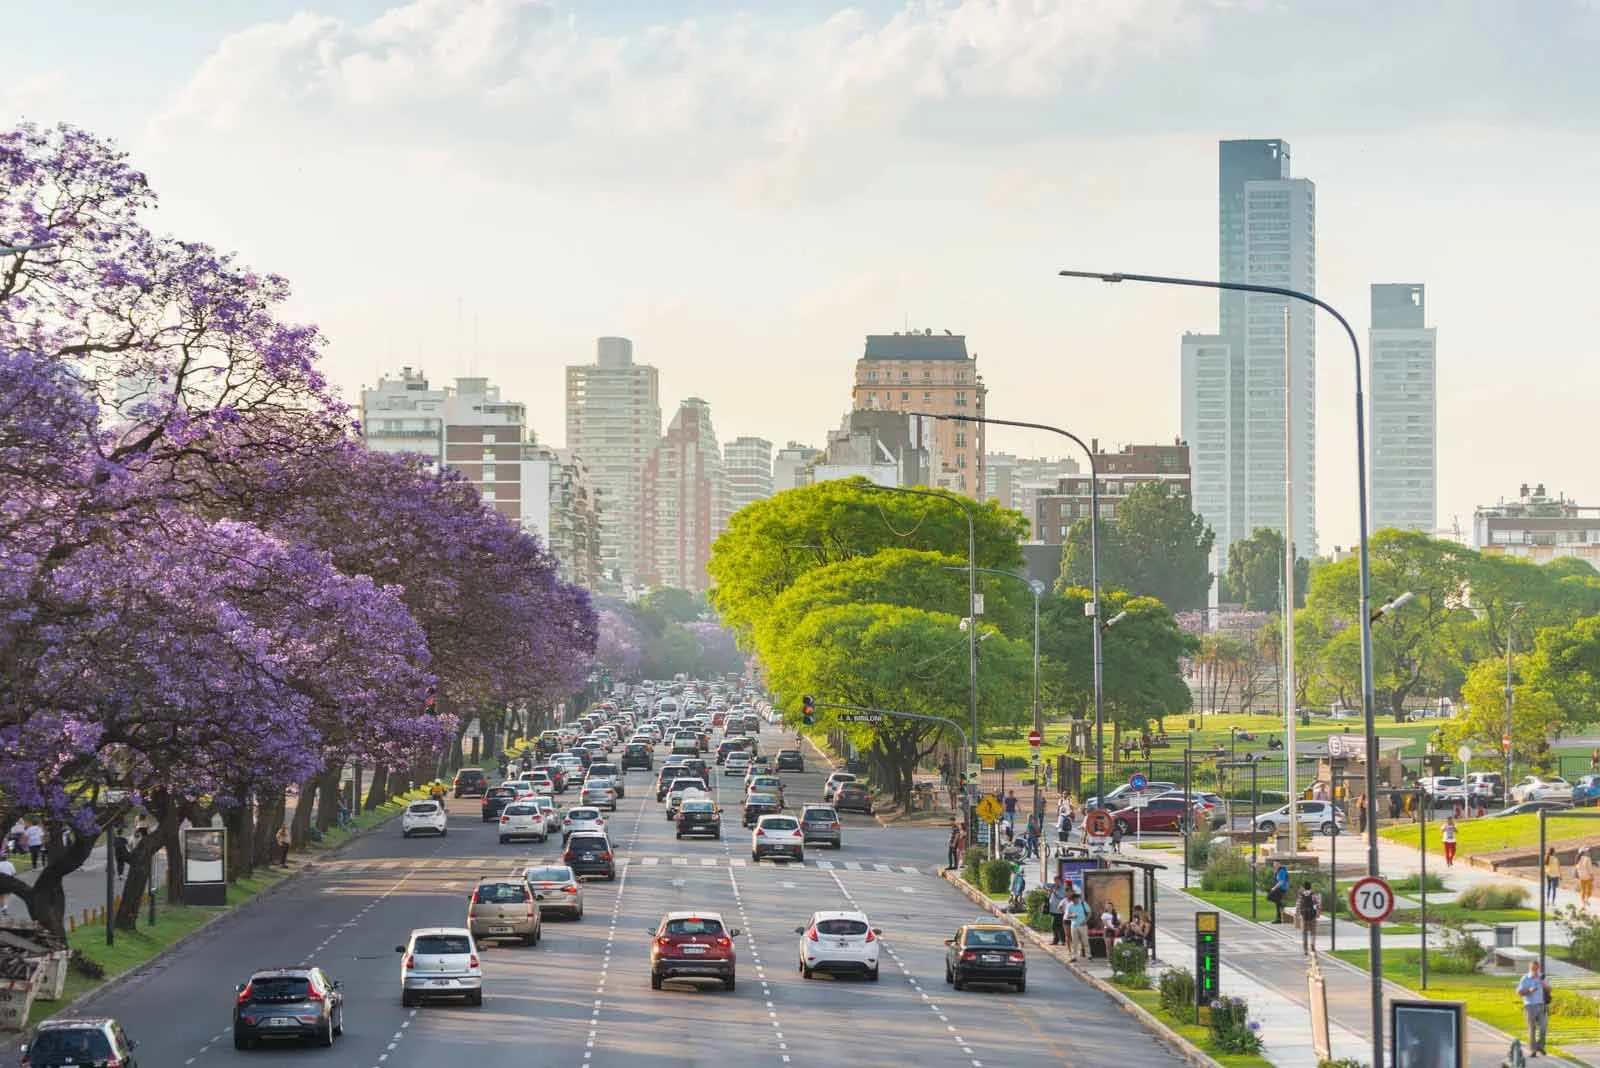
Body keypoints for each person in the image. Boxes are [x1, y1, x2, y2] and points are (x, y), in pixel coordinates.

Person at [1517, 960, 1549, 1057]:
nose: (1535, 970)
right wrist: (1529, 990)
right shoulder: (1525, 978)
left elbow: (1550, 989)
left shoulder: (1542, 977)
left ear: (1538, 968)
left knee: (1543, 1027)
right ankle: (1533, 1050)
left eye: (1536, 968)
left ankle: (1540, 1046)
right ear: (1530, 968)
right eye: (1533, 968)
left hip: (1541, 1005)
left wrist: (1543, 983)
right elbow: (1519, 992)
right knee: (1532, 1028)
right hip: (1529, 1006)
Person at [1296, 880, 1321, 955]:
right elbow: (1318, 904)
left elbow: (1298, 905)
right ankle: (1312, 947)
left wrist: (1298, 914)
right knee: (1313, 932)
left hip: (1304, 916)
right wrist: (1317, 913)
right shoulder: (1314, 895)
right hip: (1312, 916)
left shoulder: (1301, 895)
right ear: (1310, 887)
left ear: (1304, 887)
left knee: (1304, 933)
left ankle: (1305, 949)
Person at [1065, 890, 1090, 962]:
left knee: (1085, 940)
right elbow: (1067, 916)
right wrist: (1072, 916)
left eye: (1076, 899)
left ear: (1078, 898)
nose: (1074, 901)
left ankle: (1088, 955)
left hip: (1083, 925)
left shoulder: (1083, 903)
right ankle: (1074, 956)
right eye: (1073, 900)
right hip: (1074, 925)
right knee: (1074, 942)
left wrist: (1085, 921)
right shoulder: (1069, 905)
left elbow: (1089, 913)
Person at [1047, 881, 1067, 945]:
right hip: (1053, 910)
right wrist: (1050, 892)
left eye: (1057, 881)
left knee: (1060, 926)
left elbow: (1061, 897)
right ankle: (1056, 940)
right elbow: (1048, 897)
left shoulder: (1063, 889)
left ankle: (1062, 940)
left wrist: (1054, 892)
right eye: (1055, 882)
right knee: (1054, 926)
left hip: (1060, 911)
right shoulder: (1053, 889)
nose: (1056, 883)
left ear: (1060, 882)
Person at [0, 851, 14, 916]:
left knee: (1, 896)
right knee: (7, 895)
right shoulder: (10, 864)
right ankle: (5, 908)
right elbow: (13, 873)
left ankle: (2, 907)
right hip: (8, 881)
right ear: (6, 858)